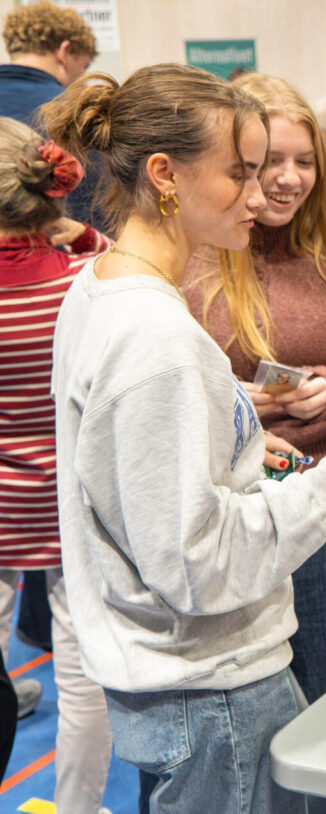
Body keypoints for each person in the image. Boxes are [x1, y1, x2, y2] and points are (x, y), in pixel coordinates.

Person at [43, 64, 326, 814]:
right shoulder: (157, 338)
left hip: (182, 686)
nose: (262, 189)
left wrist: (232, 431)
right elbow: (198, 566)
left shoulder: (101, 288)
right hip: (212, 693)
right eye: (241, 172)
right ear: (166, 175)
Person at [184, 74, 326, 714]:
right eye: (269, 162)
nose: (287, 179)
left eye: (304, 162)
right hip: (231, 515)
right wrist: (246, 405)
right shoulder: (196, 262)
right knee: (251, 719)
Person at [0, 117, 112, 810]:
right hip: (73, 508)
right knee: (84, 677)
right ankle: (76, 806)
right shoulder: (87, 280)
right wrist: (93, 240)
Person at [1, 0, 99, 676]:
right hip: (67, 489)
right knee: (80, 652)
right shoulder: (64, 117)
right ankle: (81, 791)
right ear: (66, 50)